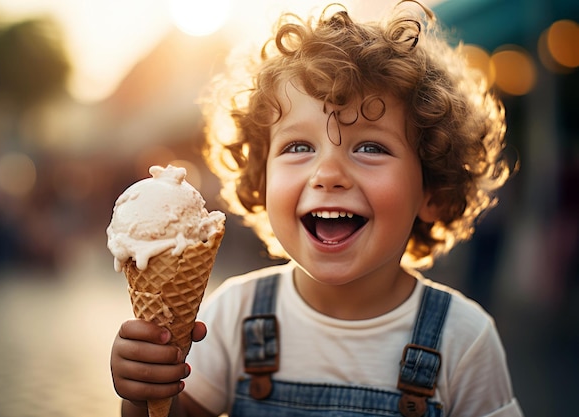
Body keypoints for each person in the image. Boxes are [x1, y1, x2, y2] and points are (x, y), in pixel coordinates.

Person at [110, 1, 523, 416]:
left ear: (431, 189)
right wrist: (142, 391)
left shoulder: (463, 340)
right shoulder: (234, 314)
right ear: (262, 179)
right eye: (299, 147)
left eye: (370, 147)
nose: (328, 173)